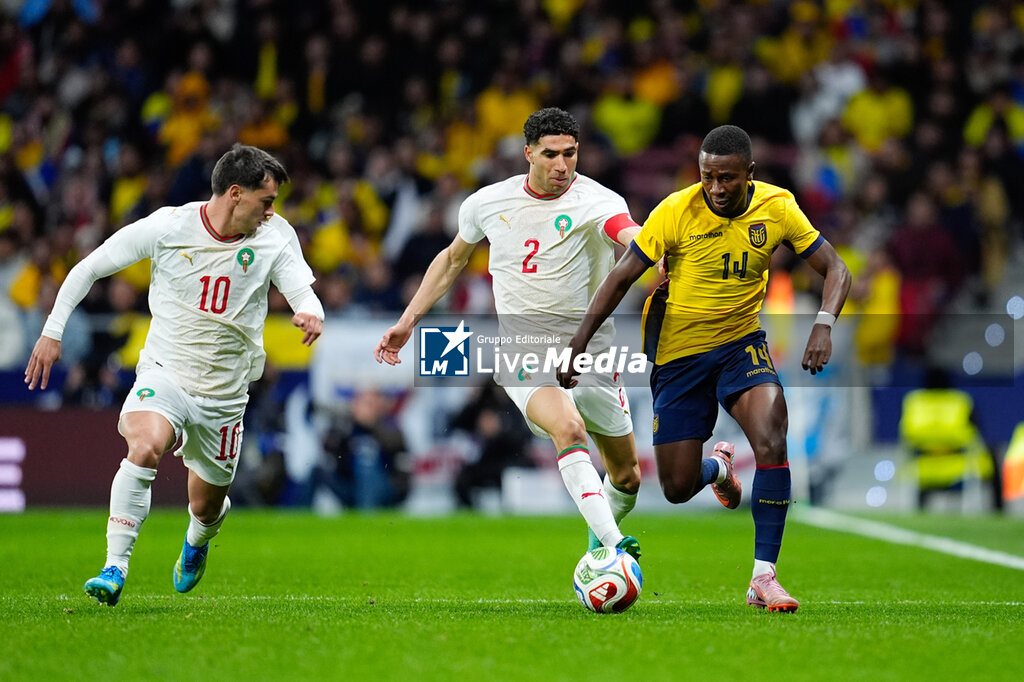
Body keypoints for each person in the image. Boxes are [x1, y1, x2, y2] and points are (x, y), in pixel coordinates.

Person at [558, 125, 851, 612]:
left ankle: (764, 576)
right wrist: (578, 344)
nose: (715, 188)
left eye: (727, 179)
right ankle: (717, 469)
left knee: (773, 436)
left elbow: (836, 269)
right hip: (678, 358)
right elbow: (621, 276)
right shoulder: (675, 211)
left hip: (742, 345)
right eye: (708, 177)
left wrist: (823, 324)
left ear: (749, 174)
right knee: (675, 488)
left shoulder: (777, 207)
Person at [24, 144, 325, 606]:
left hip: (225, 395)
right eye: (266, 202)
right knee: (143, 446)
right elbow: (89, 267)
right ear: (234, 193)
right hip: (166, 372)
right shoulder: (169, 226)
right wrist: (51, 332)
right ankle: (114, 566)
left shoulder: (276, 235)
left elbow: (302, 289)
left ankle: (197, 540)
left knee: (206, 506)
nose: (271, 212)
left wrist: (310, 312)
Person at [374, 107, 652, 560]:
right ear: (528, 153)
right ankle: (612, 546)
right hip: (523, 351)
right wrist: (408, 320)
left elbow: (627, 234)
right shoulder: (487, 203)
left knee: (626, 478)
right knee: (568, 427)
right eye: (550, 155)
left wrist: (652, 251)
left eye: (570, 154)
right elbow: (451, 260)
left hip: (591, 355)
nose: (562, 166)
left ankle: (601, 542)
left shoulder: (599, 200)